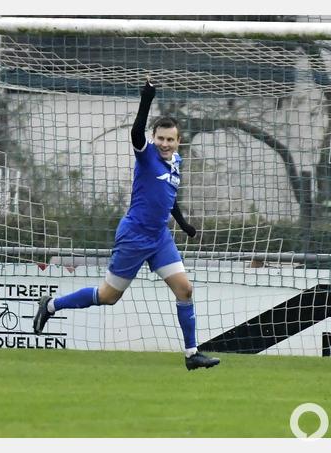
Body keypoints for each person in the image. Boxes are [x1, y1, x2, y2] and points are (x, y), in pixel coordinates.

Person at [33, 78, 220, 370]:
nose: (165, 144)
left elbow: (168, 196)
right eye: (160, 138)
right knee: (108, 296)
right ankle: (51, 305)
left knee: (185, 290)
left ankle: (192, 354)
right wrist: (146, 100)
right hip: (134, 236)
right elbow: (135, 132)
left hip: (160, 238)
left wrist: (183, 224)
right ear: (153, 138)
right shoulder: (147, 157)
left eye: (170, 140)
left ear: (178, 141)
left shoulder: (176, 162)